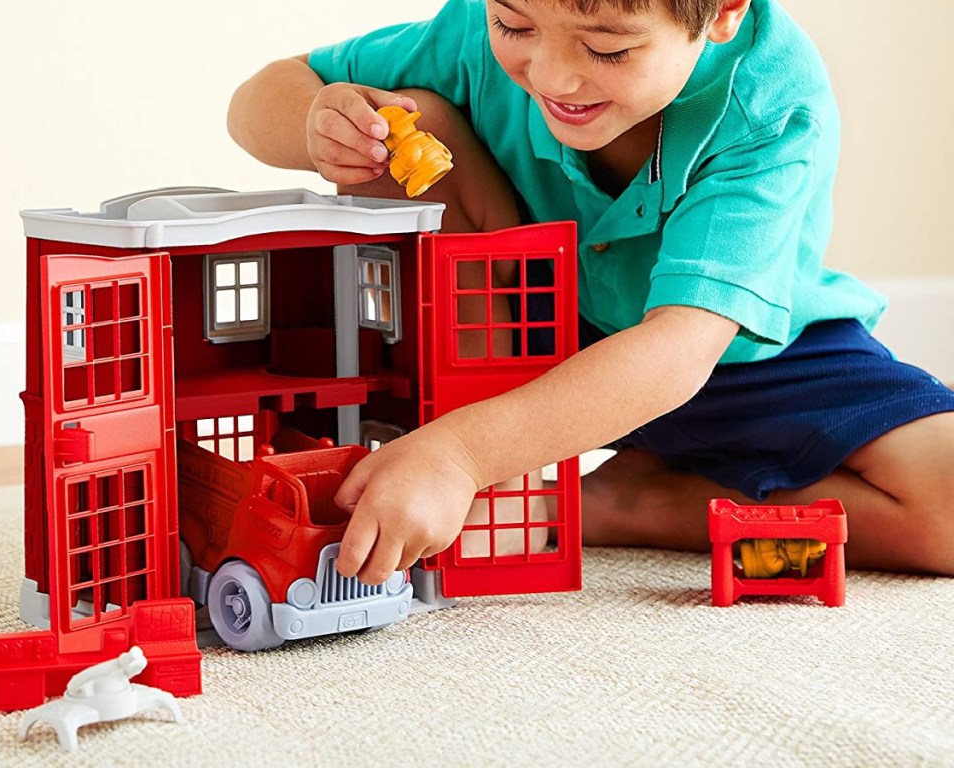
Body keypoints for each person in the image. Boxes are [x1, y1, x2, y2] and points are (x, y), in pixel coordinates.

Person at [226, 0, 954, 584]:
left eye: (607, 48)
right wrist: (316, 124)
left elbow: (679, 348)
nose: (552, 76)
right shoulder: (472, 35)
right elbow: (264, 92)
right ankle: (496, 454)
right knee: (407, 117)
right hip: (537, 326)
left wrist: (460, 457)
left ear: (726, 11)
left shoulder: (769, 100)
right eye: (514, 24)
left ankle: (623, 504)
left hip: (732, 350)